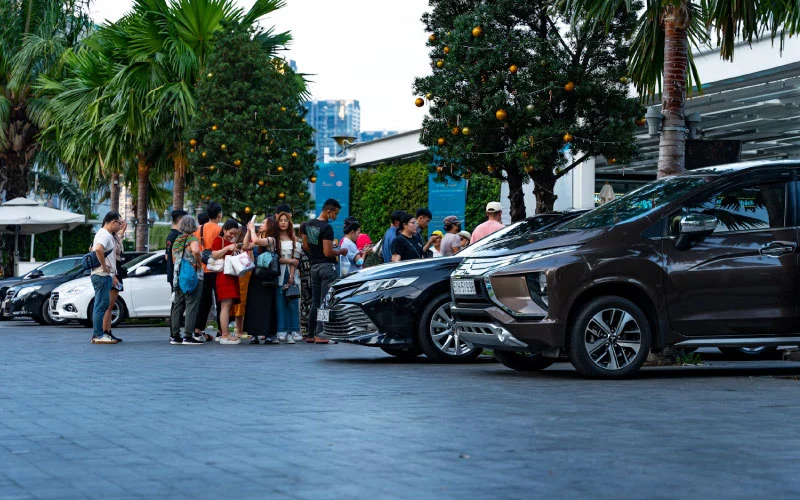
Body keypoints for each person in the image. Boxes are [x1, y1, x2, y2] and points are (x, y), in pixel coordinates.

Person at [303, 198, 347, 344]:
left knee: (315, 302)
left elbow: (305, 247)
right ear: (329, 211)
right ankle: (320, 334)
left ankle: (310, 334)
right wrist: (340, 251)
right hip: (326, 268)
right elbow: (328, 252)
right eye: (335, 214)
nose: (335, 217)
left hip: (314, 267)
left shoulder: (308, 225)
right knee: (325, 302)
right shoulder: (326, 228)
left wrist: (316, 254)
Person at [243, 217, 279, 344]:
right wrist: (248, 231)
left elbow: (257, 240)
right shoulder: (258, 237)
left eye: (264, 222)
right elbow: (246, 245)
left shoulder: (271, 239)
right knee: (254, 304)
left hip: (267, 275)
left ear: (270, 226)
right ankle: (254, 333)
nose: (261, 224)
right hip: (257, 274)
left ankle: (269, 333)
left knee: (267, 305)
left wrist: (253, 229)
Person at [169, 216, 205, 345]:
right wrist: (199, 263)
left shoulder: (177, 240)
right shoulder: (192, 239)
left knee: (178, 305)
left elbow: (173, 259)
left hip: (178, 276)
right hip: (192, 275)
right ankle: (188, 335)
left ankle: (174, 335)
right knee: (191, 305)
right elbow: (195, 251)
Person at [89, 212, 123, 344]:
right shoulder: (104, 234)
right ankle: (98, 335)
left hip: (104, 275)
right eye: (119, 223)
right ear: (112, 222)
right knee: (101, 305)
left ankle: (99, 334)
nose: (120, 226)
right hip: (101, 275)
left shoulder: (103, 234)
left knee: (101, 305)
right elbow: (98, 249)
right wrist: (104, 266)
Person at [193, 202, 223, 340]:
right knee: (220, 300)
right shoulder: (219, 229)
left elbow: (195, 249)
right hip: (216, 268)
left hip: (202, 269)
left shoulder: (198, 229)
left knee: (204, 301)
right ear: (219, 214)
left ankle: (198, 329)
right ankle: (222, 331)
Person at [210, 219, 242, 344]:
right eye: (231, 233)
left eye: (235, 234)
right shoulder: (219, 240)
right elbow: (214, 255)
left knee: (227, 306)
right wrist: (228, 247)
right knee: (225, 306)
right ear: (224, 230)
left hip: (231, 276)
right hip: (224, 277)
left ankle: (225, 333)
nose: (232, 236)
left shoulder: (230, 242)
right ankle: (225, 334)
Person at [275, 210, 302, 343]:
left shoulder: (294, 240)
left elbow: (295, 259)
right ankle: (281, 331)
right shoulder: (274, 240)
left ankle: (292, 331)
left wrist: (291, 276)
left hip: (292, 274)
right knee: (280, 303)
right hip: (278, 273)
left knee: (292, 302)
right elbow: (276, 259)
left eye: (286, 220)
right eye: (281, 220)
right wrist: (290, 261)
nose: (283, 223)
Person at [106, 219, 128, 342]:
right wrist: (113, 275)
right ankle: (105, 331)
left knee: (111, 304)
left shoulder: (114, 237)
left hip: (117, 270)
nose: (120, 226)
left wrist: (123, 230)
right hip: (114, 271)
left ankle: (108, 331)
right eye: (118, 223)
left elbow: (119, 240)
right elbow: (111, 257)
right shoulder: (108, 238)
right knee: (109, 305)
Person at [165, 209, 188, 291]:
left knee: (175, 300)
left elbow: (167, 256)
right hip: (179, 274)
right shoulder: (179, 236)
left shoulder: (170, 236)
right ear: (181, 220)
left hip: (172, 273)